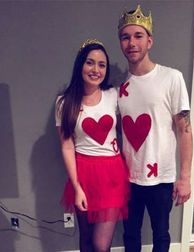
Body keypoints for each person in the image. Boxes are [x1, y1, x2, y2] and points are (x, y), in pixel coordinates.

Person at [117, 5, 193, 252]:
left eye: (138, 36)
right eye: (125, 37)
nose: (131, 43)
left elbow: (185, 130)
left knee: (161, 234)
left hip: (161, 177)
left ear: (150, 41)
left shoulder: (171, 78)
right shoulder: (120, 88)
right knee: (130, 234)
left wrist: (184, 177)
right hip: (129, 176)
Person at [55, 39, 129, 252]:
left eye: (102, 64)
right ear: (80, 65)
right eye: (90, 62)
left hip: (112, 174)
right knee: (86, 240)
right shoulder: (64, 102)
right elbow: (67, 147)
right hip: (83, 174)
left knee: (100, 244)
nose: (96, 69)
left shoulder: (113, 95)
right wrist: (77, 187)